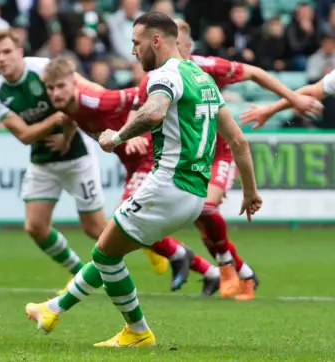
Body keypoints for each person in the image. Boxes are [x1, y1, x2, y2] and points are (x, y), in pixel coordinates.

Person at [25, 12, 262, 348]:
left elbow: (153, 112)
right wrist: (250, 192)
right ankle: (51, 310)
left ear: (156, 40)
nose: (133, 51)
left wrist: (116, 137)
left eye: (136, 43)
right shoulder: (203, 78)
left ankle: (137, 331)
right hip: (194, 197)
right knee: (110, 248)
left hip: (167, 185)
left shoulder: (165, 76)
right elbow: (237, 140)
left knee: (105, 253)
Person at [132, 19, 322, 300]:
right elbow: (139, 109)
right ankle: (243, 272)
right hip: (185, 157)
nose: (184, 50)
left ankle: (225, 267)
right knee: (197, 217)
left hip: (218, 152)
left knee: (205, 209)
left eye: (185, 44)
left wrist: (293, 98)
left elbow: (255, 72)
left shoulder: (203, 67)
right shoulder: (155, 77)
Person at [40, 56, 222, 295]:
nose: (56, 93)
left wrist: (132, 129)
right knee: (132, 226)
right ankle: (210, 272)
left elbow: (139, 93)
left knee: (122, 219)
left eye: (61, 86)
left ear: (74, 83)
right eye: (50, 88)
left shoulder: (95, 99)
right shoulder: (66, 108)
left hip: (148, 155)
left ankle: (179, 255)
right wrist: (65, 139)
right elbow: (71, 118)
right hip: (131, 163)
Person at [0, 28, 108, 294]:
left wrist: (66, 135)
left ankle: (162, 250)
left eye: (7, 52)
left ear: (20, 52)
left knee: (96, 229)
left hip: (77, 157)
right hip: (42, 161)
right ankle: (78, 272)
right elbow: (25, 135)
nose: (1, 58)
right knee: (35, 226)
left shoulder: (42, 68)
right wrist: (58, 119)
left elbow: (81, 94)